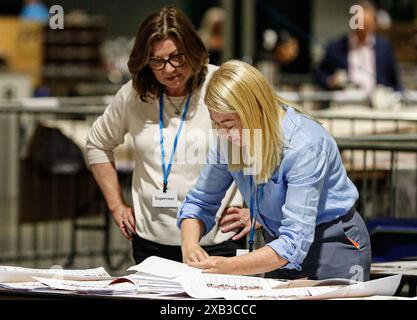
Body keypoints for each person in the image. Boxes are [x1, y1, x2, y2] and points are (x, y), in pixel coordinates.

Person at [177, 60, 372, 281]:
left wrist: (227, 266)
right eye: (216, 124)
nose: (222, 134)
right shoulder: (229, 141)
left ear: (253, 112)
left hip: (332, 243)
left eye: (229, 125)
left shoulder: (304, 145)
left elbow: (294, 241)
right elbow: (200, 202)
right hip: (278, 248)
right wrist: (190, 245)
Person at [86, 7, 248, 265]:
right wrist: (117, 206)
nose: (169, 69)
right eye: (157, 61)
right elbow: (97, 143)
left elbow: (264, 144)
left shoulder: (222, 85)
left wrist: (256, 210)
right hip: (152, 242)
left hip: (217, 242)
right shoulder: (134, 94)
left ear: (193, 50)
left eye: (177, 57)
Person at [316, 0, 401, 93]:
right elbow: (320, 74)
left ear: (374, 23)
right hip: (345, 101)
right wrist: (330, 80)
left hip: (378, 101)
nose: (362, 28)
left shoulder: (384, 47)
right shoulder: (336, 47)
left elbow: (394, 81)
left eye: (366, 24)